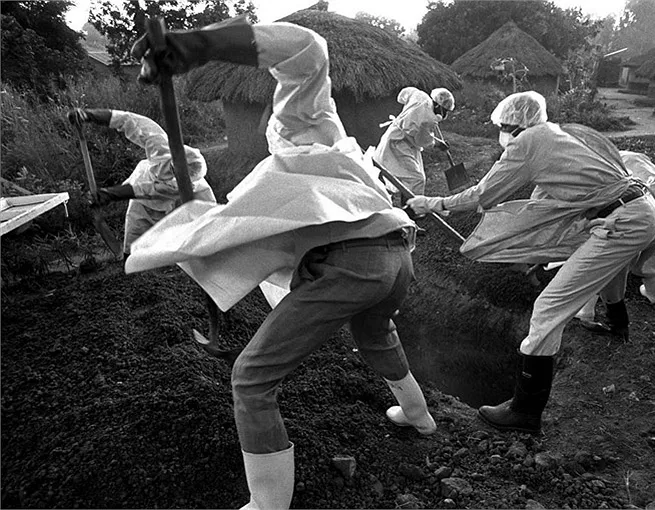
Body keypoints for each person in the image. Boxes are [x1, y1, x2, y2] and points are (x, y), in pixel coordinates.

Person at [129, 17, 436, 509]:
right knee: (376, 334)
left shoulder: (305, 123)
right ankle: (419, 417)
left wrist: (197, 44)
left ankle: (268, 503)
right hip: (397, 255)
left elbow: (307, 49)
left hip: (355, 264)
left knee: (251, 378)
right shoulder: (338, 152)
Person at [407, 91, 655, 434]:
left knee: (548, 306)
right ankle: (618, 325)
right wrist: (531, 255)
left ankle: (525, 411)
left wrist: (433, 202)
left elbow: (484, 194)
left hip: (622, 221)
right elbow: (540, 212)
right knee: (611, 269)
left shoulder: (526, 142)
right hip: (641, 208)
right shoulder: (556, 137)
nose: (501, 136)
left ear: (513, 125)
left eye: (502, 128)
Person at [67, 108, 216, 257]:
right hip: (143, 193)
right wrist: (89, 115)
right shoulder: (161, 145)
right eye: (174, 169)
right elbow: (129, 121)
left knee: (188, 237)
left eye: (179, 176)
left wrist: (108, 194)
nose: (174, 174)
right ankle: (129, 259)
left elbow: (145, 190)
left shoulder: (180, 187)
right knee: (133, 242)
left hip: (169, 203)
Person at [575, 150, 655, 325]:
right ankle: (653, 294)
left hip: (644, 208)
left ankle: (586, 310)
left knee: (610, 261)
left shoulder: (603, 167)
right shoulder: (635, 157)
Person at [374, 86, 455, 204]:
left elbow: (402, 96)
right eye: (445, 110)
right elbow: (422, 141)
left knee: (411, 177)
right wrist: (438, 144)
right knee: (416, 178)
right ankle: (412, 208)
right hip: (398, 144)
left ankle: (406, 204)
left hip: (396, 137)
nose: (445, 114)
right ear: (438, 105)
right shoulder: (429, 119)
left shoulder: (420, 95)